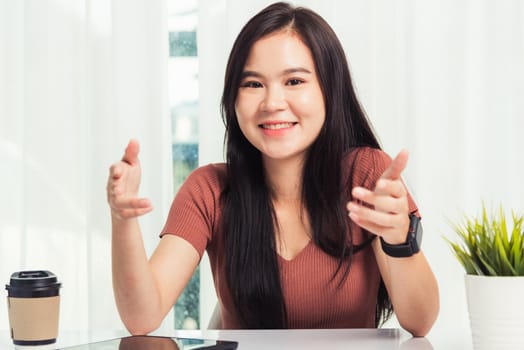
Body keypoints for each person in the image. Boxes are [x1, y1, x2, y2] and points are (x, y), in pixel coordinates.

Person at [107, 1, 439, 336]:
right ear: (233, 100)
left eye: (294, 81)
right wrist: (123, 221)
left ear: (329, 91)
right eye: (253, 84)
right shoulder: (208, 189)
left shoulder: (367, 175)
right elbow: (142, 317)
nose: (272, 103)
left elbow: (420, 322)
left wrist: (398, 238)